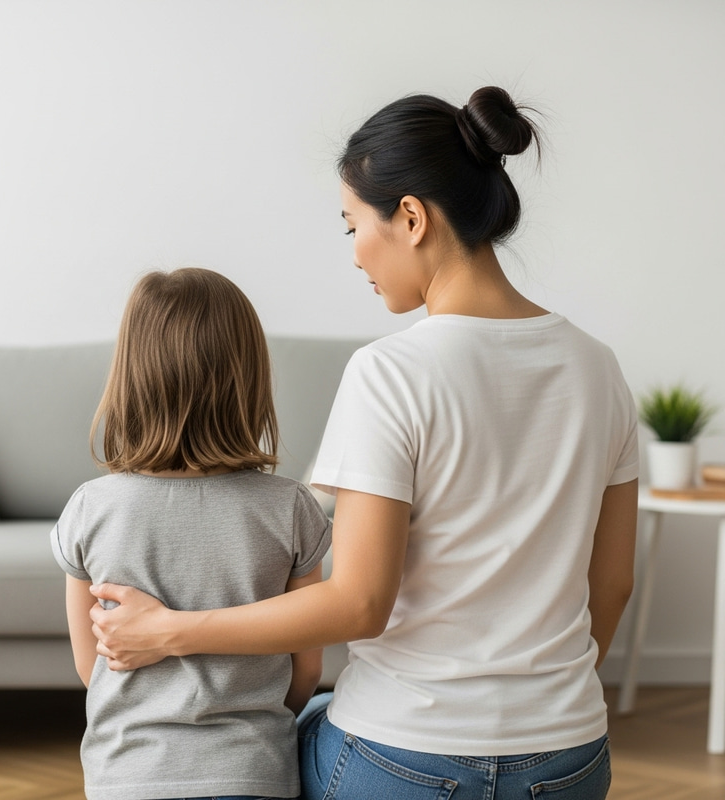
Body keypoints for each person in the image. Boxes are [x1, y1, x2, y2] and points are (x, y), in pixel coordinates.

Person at [88, 88, 639, 800]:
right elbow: (613, 585)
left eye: (353, 226)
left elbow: (358, 605)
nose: (355, 256)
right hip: (569, 758)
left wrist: (169, 631)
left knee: (274, 741)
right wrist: (542, 713)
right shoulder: (599, 367)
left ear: (410, 217)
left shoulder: (391, 370)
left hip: (408, 757)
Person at [50, 267, 332, 800]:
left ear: (129, 378)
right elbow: (304, 675)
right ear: (249, 378)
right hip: (252, 772)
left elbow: (92, 668)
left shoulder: (90, 508)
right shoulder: (291, 507)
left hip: (126, 777)